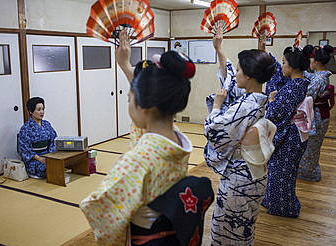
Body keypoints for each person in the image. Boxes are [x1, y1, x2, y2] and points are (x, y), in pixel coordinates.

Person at [80, 42, 212, 244]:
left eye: (130, 99)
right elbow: (151, 115)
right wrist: (124, 64)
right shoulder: (176, 141)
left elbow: (103, 212)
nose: (129, 104)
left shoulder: (136, 161)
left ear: (143, 106)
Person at [204, 25, 276, 245]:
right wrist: (219, 48)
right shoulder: (256, 97)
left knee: (229, 231)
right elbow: (231, 83)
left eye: (238, 70)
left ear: (249, 75)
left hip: (240, 178)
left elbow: (215, 130)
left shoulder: (245, 106)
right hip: (254, 175)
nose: (235, 74)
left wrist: (216, 106)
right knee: (244, 229)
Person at [259, 37, 311, 218]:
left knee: (282, 175)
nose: (281, 67)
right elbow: (277, 74)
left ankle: (284, 208)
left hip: (291, 138)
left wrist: (272, 99)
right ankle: (275, 202)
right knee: (282, 174)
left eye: (283, 63)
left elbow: (275, 113)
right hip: (296, 135)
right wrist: (264, 50)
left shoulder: (293, 87)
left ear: (293, 66)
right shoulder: (298, 82)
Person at [297, 44, 334, 181]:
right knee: (312, 147)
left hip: (318, 116)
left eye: (311, 60)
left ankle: (309, 173)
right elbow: (307, 74)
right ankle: (309, 169)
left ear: (317, 61)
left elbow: (307, 95)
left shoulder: (318, 78)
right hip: (320, 114)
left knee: (311, 148)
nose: (309, 62)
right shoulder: (319, 75)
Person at [17, 97, 57, 178]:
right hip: (35, 160)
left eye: (43, 109)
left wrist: (50, 156)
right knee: (50, 168)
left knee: (60, 163)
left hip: (48, 155)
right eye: (38, 109)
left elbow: (54, 140)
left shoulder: (46, 124)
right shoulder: (25, 128)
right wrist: (41, 159)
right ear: (31, 111)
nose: (42, 112)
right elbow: (25, 150)